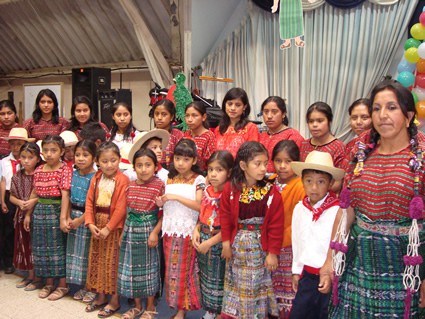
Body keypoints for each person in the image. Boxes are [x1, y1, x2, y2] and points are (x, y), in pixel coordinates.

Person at [322, 80, 425, 318]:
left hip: (406, 269)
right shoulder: (359, 154)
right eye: (376, 109)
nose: (382, 115)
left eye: (391, 107)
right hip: (358, 263)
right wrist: (330, 259)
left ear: (408, 115)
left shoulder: (420, 156)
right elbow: (346, 210)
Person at [219, 141, 284, 318]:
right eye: (258, 163)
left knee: (254, 286)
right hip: (237, 247)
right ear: (243, 165)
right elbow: (225, 217)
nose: (263, 168)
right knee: (237, 284)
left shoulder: (271, 192)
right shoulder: (231, 189)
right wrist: (226, 243)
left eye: (265, 163)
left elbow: (276, 225)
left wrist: (272, 253)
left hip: (258, 248)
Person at [289, 151, 344, 319]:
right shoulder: (300, 208)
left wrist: (333, 272)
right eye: (309, 181)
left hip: (328, 276)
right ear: (302, 182)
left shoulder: (337, 211)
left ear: (331, 183)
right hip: (307, 275)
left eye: (321, 182)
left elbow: (338, 244)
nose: (314, 187)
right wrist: (296, 270)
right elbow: (296, 240)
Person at [156, 138, 205, 319]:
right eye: (178, 158)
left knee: (184, 271)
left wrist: (174, 196)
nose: (181, 163)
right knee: (171, 272)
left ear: (193, 160)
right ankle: (177, 307)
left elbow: (200, 206)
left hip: (187, 230)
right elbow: (164, 203)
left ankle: (182, 310)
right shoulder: (170, 177)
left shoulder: (199, 179)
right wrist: (161, 201)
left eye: (186, 159)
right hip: (169, 229)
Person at [118, 148, 165, 319]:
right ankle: (137, 306)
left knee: (149, 270)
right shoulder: (130, 185)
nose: (143, 169)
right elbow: (128, 212)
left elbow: (163, 213)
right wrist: (123, 234)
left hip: (149, 230)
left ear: (155, 167)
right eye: (139, 165)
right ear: (134, 167)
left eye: (148, 165)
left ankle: (150, 306)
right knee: (132, 270)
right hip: (131, 230)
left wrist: (154, 232)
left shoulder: (159, 185)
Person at [25, 135, 72, 300]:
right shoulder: (38, 170)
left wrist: (63, 218)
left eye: (53, 150)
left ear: (62, 151)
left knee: (58, 249)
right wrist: (28, 214)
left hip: (56, 210)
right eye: (46, 150)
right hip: (40, 212)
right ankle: (49, 283)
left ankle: (62, 285)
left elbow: (65, 194)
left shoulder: (64, 169)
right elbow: (34, 192)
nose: (49, 154)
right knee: (42, 249)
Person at [84, 142, 129, 318]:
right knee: (98, 260)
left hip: (113, 226)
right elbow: (89, 201)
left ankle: (115, 300)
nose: (109, 165)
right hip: (97, 224)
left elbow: (121, 208)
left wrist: (109, 228)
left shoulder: (123, 180)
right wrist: (90, 223)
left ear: (119, 160)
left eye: (113, 160)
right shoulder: (96, 178)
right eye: (104, 161)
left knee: (113, 263)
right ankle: (101, 295)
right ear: (97, 162)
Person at [192, 150, 233, 319]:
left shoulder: (230, 194)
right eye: (210, 170)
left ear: (229, 172)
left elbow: (230, 226)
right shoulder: (207, 191)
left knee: (220, 278)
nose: (213, 174)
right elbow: (202, 214)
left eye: (219, 170)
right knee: (206, 276)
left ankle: (221, 312)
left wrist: (210, 242)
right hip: (204, 237)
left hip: (219, 241)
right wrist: (196, 230)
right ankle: (210, 309)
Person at [269, 140, 305, 318]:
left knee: (286, 292)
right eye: (278, 161)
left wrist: (279, 241)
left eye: (288, 161)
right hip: (269, 245)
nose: (282, 166)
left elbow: (298, 222)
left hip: (288, 246)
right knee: (270, 289)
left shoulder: (301, 185)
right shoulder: (268, 181)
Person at [66, 140, 96, 303]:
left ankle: (90, 287)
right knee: (76, 253)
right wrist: (68, 217)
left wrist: (80, 220)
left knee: (88, 254)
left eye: (85, 155)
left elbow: (94, 204)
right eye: (77, 155)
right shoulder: (73, 173)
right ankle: (80, 285)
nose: (80, 158)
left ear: (93, 157)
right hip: (73, 215)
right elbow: (68, 196)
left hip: (87, 217)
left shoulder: (96, 176)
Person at [0, 128, 33, 274]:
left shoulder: (28, 162)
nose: (15, 147)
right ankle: (9, 261)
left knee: (25, 229)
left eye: (19, 144)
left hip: (26, 195)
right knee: (8, 230)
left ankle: (26, 263)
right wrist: (2, 201)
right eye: (12, 144)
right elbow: (3, 181)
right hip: (9, 195)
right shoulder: (4, 161)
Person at [10, 142, 41, 290]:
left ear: (37, 158)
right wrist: (20, 202)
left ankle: (37, 277)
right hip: (20, 214)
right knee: (24, 246)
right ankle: (29, 275)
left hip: (37, 214)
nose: (26, 161)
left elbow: (43, 195)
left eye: (30, 157)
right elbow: (11, 196)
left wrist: (32, 201)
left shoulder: (40, 175)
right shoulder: (17, 176)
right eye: (23, 157)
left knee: (35, 246)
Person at [299, 102, 347, 192]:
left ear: (329, 121)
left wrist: (316, 191)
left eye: (320, 121)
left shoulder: (338, 147)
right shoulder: (304, 144)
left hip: (326, 198)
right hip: (303, 194)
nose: (315, 125)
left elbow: (338, 181)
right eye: (311, 121)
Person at [259, 96, 304, 173]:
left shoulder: (293, 136)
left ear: (283, 114)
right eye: (266, 112)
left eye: (274, 112)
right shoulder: (260, 136)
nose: (269, 116)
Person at [215, 88, 259, 158]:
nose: (233, 108)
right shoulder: (219, 129)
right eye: (230, 104)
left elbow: (253, 155)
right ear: (225, 105)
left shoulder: (251, 128)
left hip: (241, 168)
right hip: (220, 168)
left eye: (237, 105)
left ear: (244, 107)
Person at [184, 101, 216, 172]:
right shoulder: (185, 134)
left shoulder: (209, 136)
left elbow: (211, 162)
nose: (189, 119)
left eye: (194, 115)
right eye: (187, 115)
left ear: (204, 117)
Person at [152, 99, 184, 168]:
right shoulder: (150, 135)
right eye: (156, 114)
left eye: (164, 114)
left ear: (172, 117)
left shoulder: (178, 135)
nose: (159, 118)